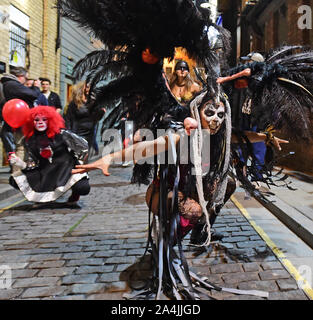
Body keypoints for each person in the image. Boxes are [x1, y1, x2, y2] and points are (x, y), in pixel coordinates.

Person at [8, 106, 90, 205]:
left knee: (83, 187)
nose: (40, 122)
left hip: (66, 169)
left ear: (50, 120)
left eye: (44, 119)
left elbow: (83, 146)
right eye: (36, 120)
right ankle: (42, 196)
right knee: (15, 180)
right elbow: (33, 164)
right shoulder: (30, 140)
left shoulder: (62, 134)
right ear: (31, 122)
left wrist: (80, 165)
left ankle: (75, 194)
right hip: (46, 171)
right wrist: (21, 163)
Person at [0, 67, 41, 173]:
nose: (26, 81)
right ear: (20, 77)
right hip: (18, 122)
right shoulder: (12, 85)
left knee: (20, 147)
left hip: (16, 121)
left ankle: (20, 172)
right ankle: (17, 174)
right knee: (20, 147)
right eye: (26, 78)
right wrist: (36, 87)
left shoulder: (8, 84)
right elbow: (33, 95)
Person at [64, 81, 105, 156]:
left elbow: (96, 118)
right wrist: (69, 133)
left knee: (85, 155)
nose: (89, 89)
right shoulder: (75, 103)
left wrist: (101, 112)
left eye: (90, 87)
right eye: (87, 87)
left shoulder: (92, 101)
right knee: (77, 155)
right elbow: (68, 118)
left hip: (89, 132)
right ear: (81, 88)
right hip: (77, 132)